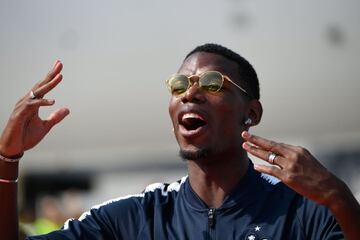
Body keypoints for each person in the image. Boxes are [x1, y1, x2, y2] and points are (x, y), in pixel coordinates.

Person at [0, 43, 359, 240]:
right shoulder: (136, 219)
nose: (191, 93)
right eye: (179, 85)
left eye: (213, 83)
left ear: (251, 112)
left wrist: (338, 197)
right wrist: (6, 161)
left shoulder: (305, 213)